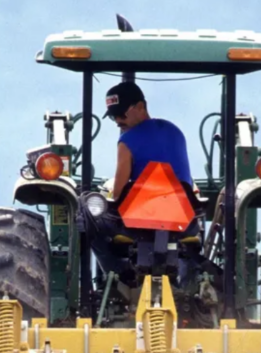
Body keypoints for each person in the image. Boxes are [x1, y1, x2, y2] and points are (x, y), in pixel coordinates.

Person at [82, 81, 199, 278]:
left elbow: (117, 193)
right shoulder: (175, 132)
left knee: (85, 212)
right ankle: (188, 282)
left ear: (141, 107)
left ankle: (118, 274)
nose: (118, 120)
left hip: (138, 225)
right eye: (113, 117)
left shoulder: (126, 141)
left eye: (121, 114)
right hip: (184, 222)